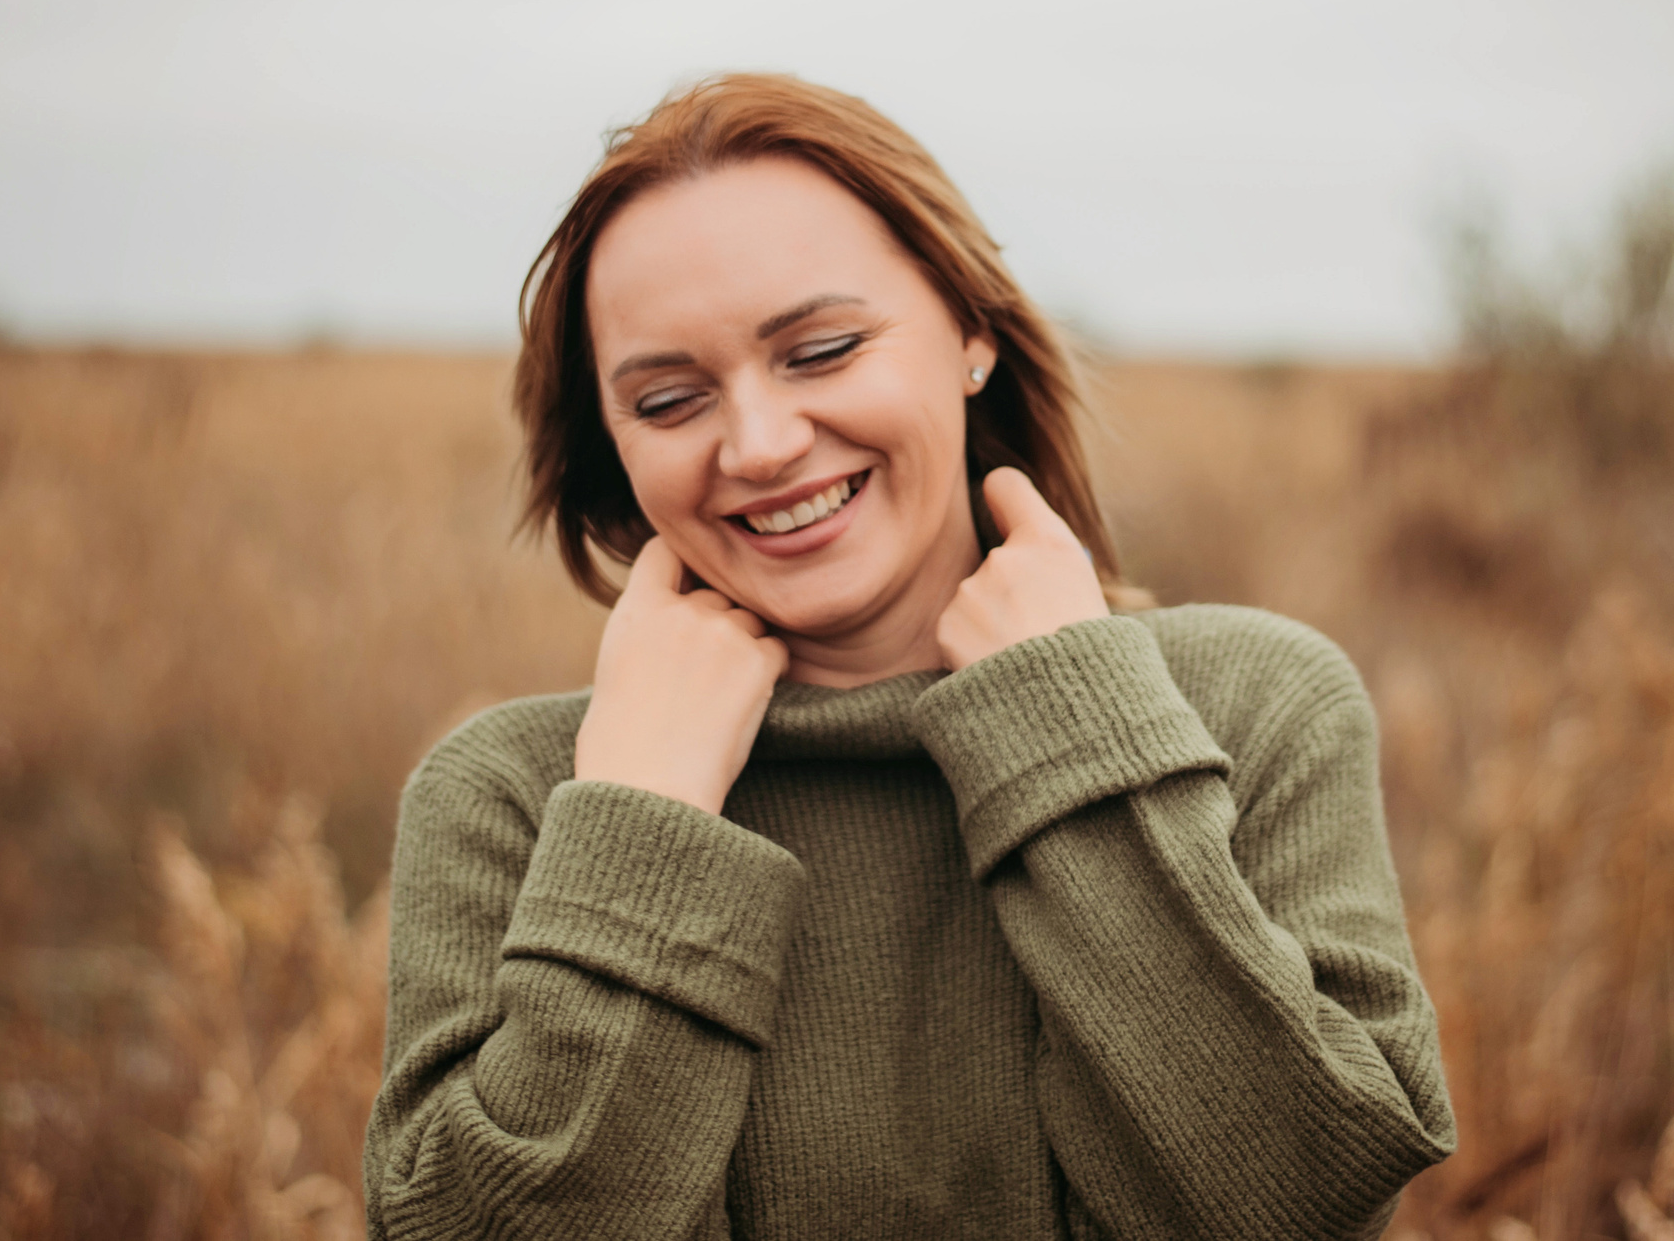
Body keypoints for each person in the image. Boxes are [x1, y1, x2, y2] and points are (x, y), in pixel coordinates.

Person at [362, 74, 1454, 1240]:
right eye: (670, 399)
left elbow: (1306, 1200)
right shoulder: (515, 794)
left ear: (971, 333)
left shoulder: (1253, 704)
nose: (760, 444)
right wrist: (643, 821)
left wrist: (1072, 729)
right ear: (612, 447)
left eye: (823, 349)